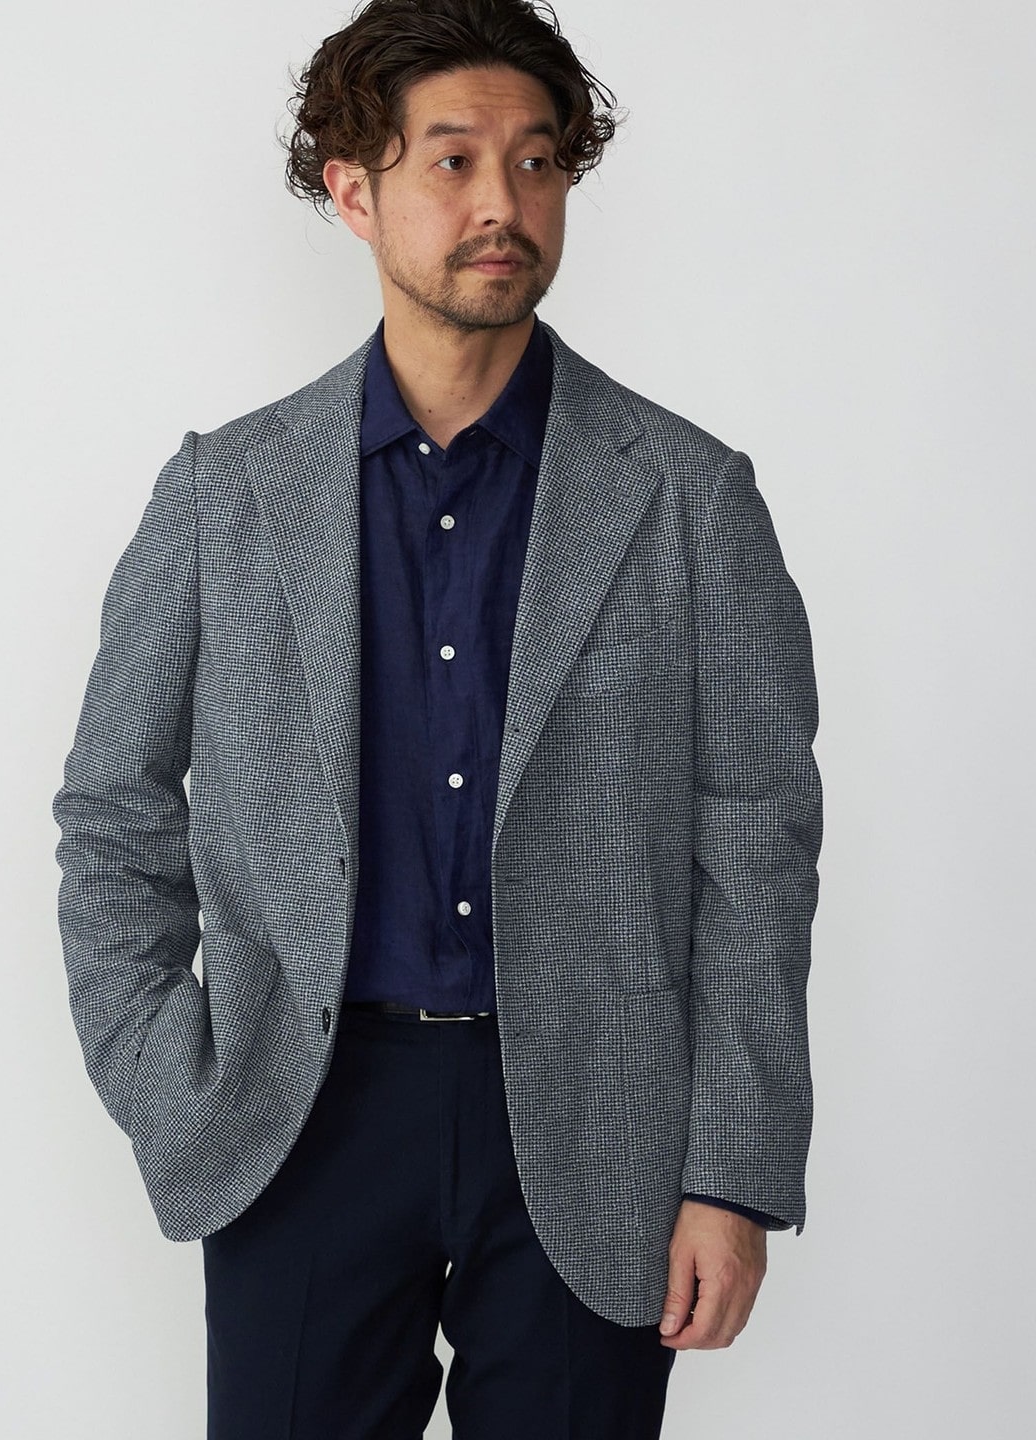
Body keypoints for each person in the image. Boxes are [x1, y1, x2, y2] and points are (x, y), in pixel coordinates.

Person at [51, 1, 823, 1435]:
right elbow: (113, 810)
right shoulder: (226, 495)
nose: (502, 205)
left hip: (597, 1132)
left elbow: (758, 848)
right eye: (454, 160)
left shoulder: (685, 495)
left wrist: (732, 1171)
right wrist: (173, 1081)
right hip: (302, 1119)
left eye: (536, 162)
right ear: (354, 190)